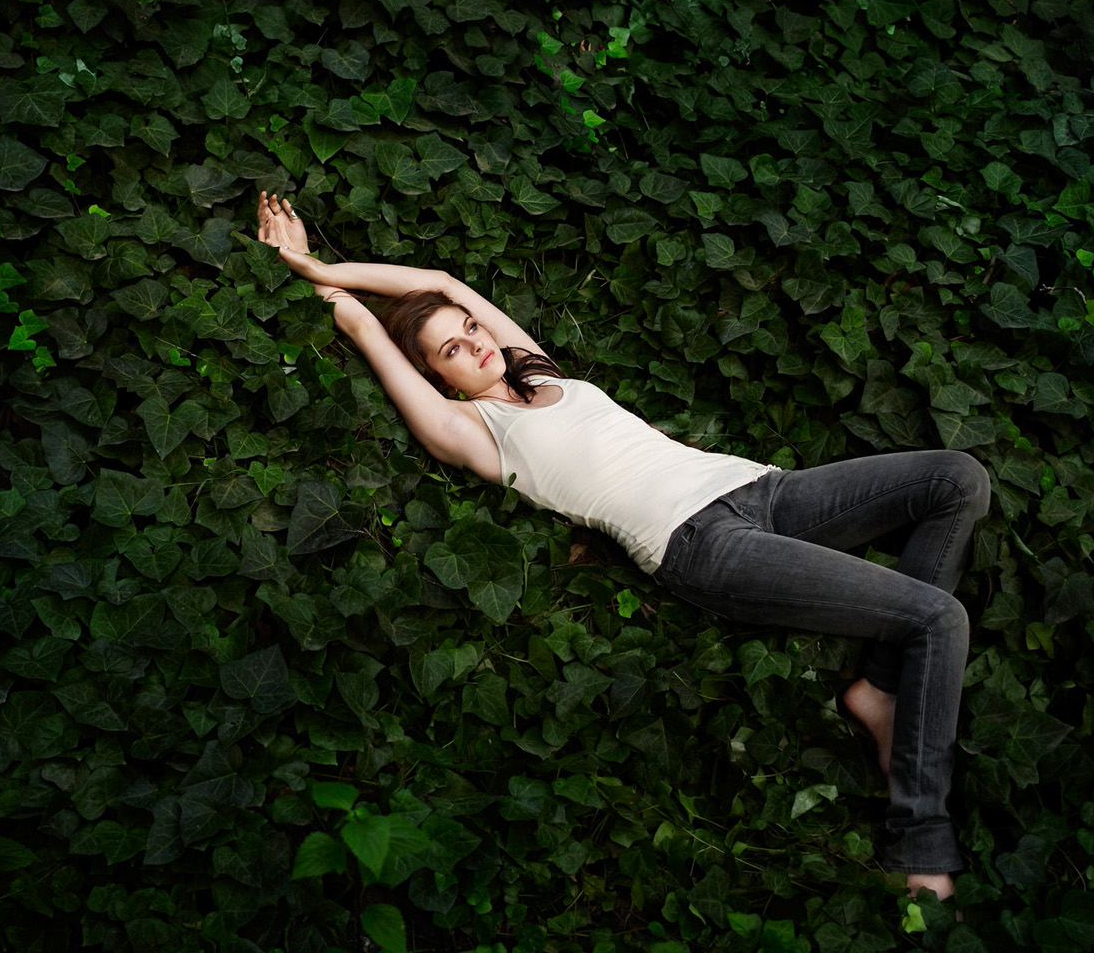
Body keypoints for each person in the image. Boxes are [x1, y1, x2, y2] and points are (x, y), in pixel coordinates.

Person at [254, 191, 989, 902]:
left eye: (471, 330)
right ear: (434, 377)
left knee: (957, 479)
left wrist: (354, 270)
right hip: (699, 543)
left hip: (762, 489)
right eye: (452, 348)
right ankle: (919, 836)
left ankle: (881, 688)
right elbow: (364, 329)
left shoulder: (536, 369)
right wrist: (315, 277)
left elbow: (444, 282)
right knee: (938, 618)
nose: (476, 344)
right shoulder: (471, 432)